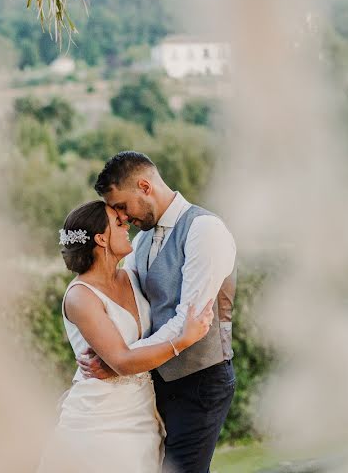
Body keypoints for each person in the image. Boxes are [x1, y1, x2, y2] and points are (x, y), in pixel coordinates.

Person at [80, 151, 237, 473]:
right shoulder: (141, 241)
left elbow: (188, 321)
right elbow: (132, 304)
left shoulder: (204, 229)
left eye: (122, 206)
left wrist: (120, 360)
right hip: (154, 379)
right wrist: (104, 342)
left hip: (199, 379)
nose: (122, 218)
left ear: (144, 186)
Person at [38, 199, 215, 473]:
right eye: (119, 224)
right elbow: (121, 360)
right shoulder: (80, 297)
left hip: (143, 412)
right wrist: (183, 340)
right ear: (101, 238)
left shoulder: (131, 275)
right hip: (100, 420)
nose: (126, 227)